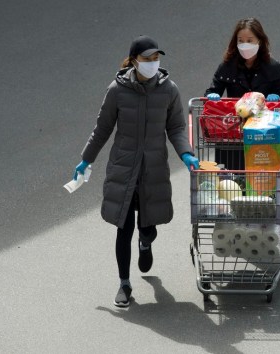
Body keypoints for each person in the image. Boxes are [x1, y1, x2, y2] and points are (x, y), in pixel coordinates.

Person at [72, 35, 199, 307]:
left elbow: (175, 127)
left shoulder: (169, 90)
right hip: (124, 169)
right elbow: (102, 128)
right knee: (123, 227)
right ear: (133, 61)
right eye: (147, 59)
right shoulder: (117, 91)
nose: (153, 64)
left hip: (152, 170)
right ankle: (124, 284)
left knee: (149, 226)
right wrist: (86, 159)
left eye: (156, 59)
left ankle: (146, 241)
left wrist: (186, 154)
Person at [204, 17, 280, 170]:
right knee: (234, 178)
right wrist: (213, 97)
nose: (245, 45)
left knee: (261, 176)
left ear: (260, 41)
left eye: (250, 40)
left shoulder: (272, 67)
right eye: (240, 40)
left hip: (263, 134)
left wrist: (275, 99)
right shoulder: (227, 66)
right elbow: (212, 91)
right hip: (233, 133)